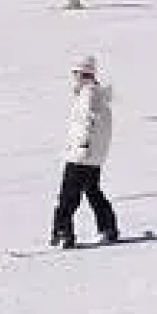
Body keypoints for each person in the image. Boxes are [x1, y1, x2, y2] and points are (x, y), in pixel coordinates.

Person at [51, 55, 118, 249]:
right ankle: (108, 228)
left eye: (77, 74)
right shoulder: (97, 95)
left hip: (82, 155)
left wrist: (82, 146)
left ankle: (64, 233)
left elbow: (87, 124)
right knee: (92, 191)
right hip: (93, 156)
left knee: (68, 195)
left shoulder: (88, 95)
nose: (75, 78)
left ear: (84, 74)